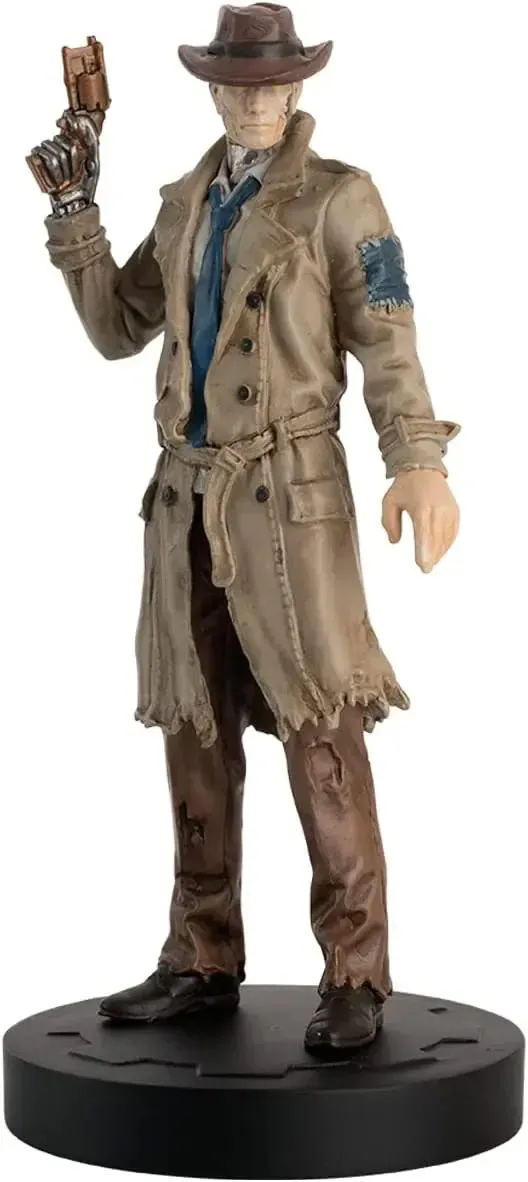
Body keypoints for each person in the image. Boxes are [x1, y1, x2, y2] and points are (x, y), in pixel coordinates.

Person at [31, 3, 460, 1054]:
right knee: (194, 728)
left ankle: (355, 971)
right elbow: (118, 327)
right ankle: (201, 954)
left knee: (322, 730)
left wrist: (417, 460)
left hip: (289, 503)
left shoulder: (342, 199)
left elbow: (390, 338)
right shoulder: (187, 203)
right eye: (237, 83)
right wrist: (76, 210)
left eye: (271, 82)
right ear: (214, 91)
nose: (256, 100)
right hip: (184, 500)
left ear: (298, 85)